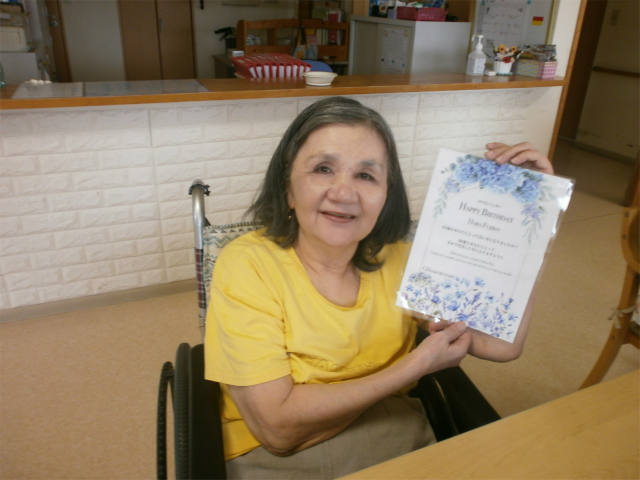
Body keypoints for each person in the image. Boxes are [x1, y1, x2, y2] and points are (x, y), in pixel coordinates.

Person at [204, 96, 554, 479]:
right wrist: (415, 366)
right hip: (273, 458)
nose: (344, 193)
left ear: (387, 195)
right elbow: (277, 431)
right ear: (288, 188)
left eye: (366, 176)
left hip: (392, 429)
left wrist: (529, 223)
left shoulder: (405, 263)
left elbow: (501, 345)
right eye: (323, 168)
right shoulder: (248, 265)